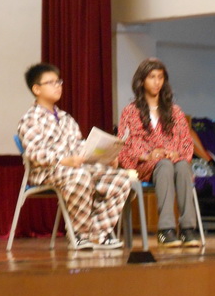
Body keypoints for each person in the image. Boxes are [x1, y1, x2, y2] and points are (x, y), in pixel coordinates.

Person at [18, 63, 131, 250]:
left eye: (59, 82)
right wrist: (63, 160)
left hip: (75, 167)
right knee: (79, 176)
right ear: (36, 89)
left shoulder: (66, 118)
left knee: (121, 178)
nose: (57, 86)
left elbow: (80, 147)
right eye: (51, 82)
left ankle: (97, 234)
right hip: (47, 171)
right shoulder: (30, 119)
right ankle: (80, 234)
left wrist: (105, 156)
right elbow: (34, 152)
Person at [118, 58, 201, 248]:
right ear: (142, 81)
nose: (157, 82)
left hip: (172, 162)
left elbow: (186, 142)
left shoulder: (175, 111)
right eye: (152, 77)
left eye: (160, 77)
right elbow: (124, 144)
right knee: (164, 165)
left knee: (182, 165)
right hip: (144, 165)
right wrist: (147, 155)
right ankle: (166, 229)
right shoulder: (130, 112)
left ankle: (188, 228)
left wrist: (176, 153)